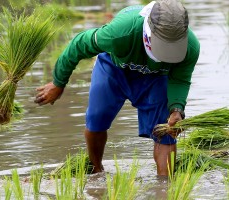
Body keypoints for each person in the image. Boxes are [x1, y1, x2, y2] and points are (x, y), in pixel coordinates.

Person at [34, 0, 200, 176]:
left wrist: (176, 110)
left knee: (165, 130)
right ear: (148, 33)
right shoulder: (120, 33)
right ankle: (96, 172)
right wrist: (58, 83)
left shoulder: (191, 47)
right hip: (114, 69)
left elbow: (180, 80)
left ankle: (165, 187)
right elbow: (78, 44)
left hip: (156, 78)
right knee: (97, 117)